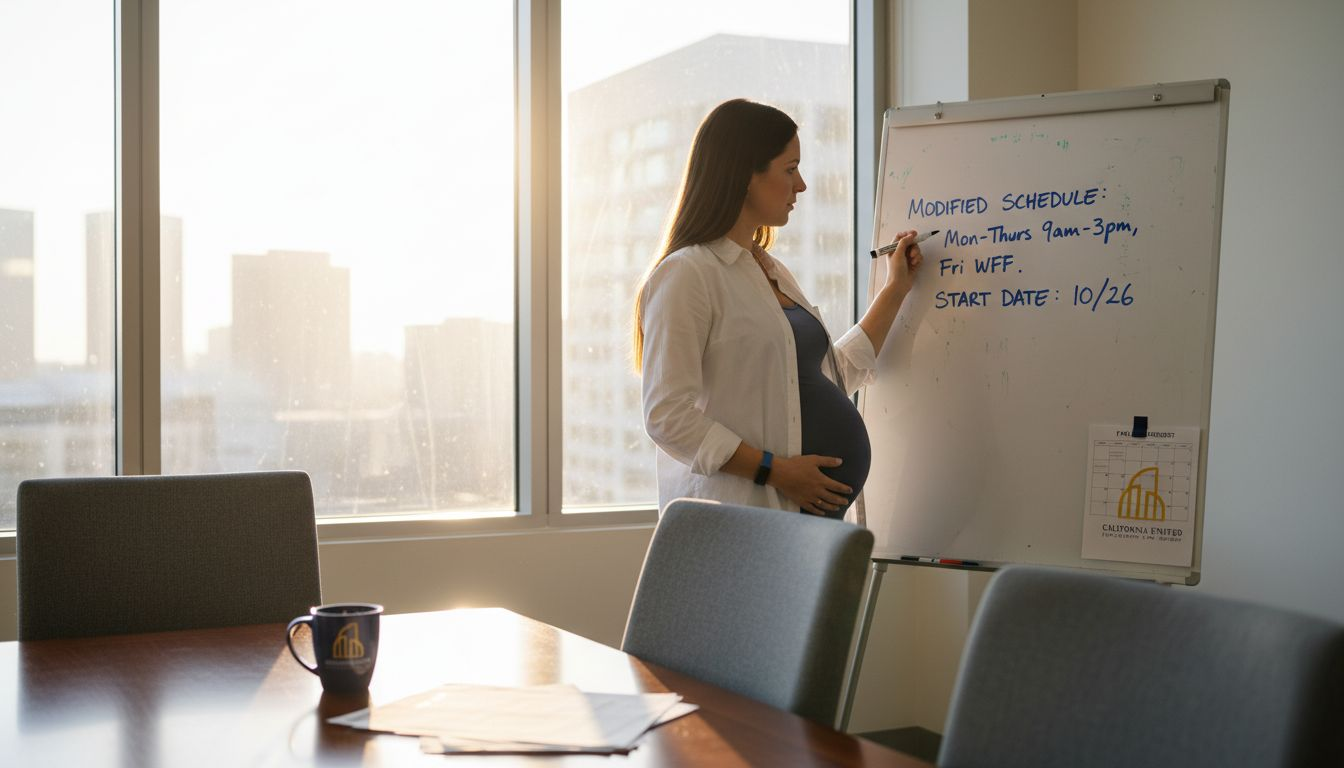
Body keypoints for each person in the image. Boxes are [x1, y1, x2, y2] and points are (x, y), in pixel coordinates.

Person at [633, 98, 923, 518]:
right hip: (743, 522)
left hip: (805, 519)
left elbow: (832, 374)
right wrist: (777, 472)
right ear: (745, 175)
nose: (801, 185)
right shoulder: (688, 274)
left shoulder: (768, 270)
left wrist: (897, 289)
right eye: (790, 169)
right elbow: (666, 417)